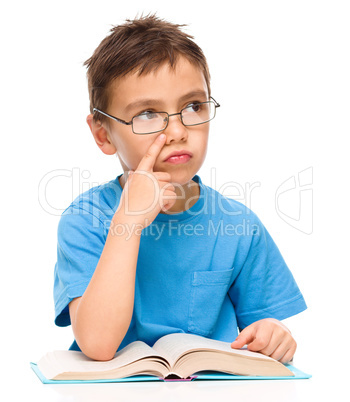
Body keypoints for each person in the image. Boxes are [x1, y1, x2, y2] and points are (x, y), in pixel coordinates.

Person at [54, 14, 307, 362]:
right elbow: (97, 345)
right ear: (103, 134)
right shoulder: (84, 220)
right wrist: (127, 222)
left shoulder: (238, 226)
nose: (177, 131)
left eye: (192, 106)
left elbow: (263, 331)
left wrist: (273, 335)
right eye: (147, 113)